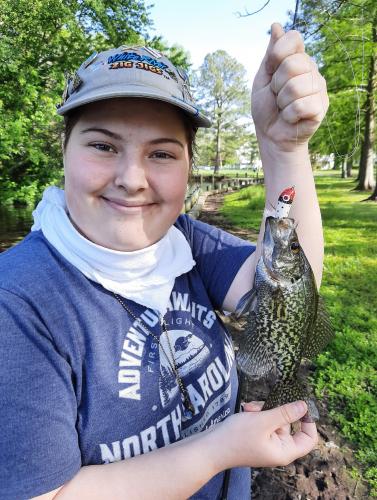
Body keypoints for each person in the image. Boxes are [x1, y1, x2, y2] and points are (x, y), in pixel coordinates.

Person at [0, 22, 328, 500]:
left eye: (161, 153)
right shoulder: (18, 304)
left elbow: (288, 298)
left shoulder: (182, 239)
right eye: (103, 145)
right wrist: (218, 450)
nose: (132, 178)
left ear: (188, 167)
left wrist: (285, 148)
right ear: (63, 152)